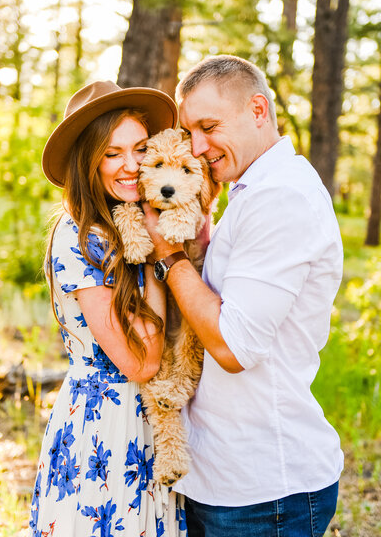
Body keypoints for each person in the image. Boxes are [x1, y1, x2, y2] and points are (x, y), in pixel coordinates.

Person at [142, 55, 344, 537]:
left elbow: (233, 348)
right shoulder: (250, 190)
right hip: (222, 478)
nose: (198, 146)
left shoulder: (282, 197)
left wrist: (170, 256)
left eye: (209, 126)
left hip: (263, 492)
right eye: (190, 132)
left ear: (258, 110)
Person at [29, 80, 187, 537]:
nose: (132, 166)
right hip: (105, 426)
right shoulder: (79, 238)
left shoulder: (127, 222)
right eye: (113, 153)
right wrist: (160, 255)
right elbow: (142, 361)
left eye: (140, 148)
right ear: (89, 162)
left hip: (149, 425)